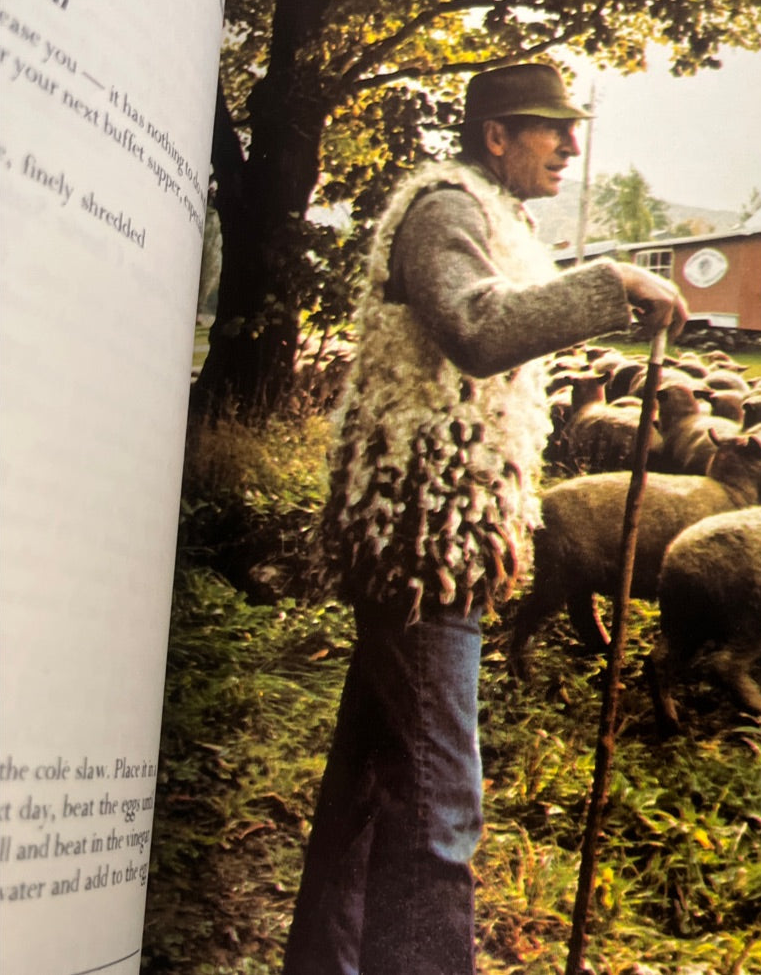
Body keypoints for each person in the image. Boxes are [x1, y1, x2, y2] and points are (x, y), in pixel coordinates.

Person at [282, 62, 688, 975]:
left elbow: (504, 321)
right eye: (551, 129)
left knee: (375, 779)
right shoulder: (444, 209)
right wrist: (614, 280)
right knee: (439, 800)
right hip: (420, 538)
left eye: (571, 128)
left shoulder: (496, 218)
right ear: (497, 135)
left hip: (440, 535)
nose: (571, 146)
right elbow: (477, 327)